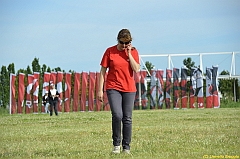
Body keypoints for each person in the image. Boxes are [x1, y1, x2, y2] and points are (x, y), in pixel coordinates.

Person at [97, 29, 140, 154]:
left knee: (127, 118)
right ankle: (116, 145)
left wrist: (129, 54)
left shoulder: (133, 52)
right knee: (117, 115)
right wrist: (100, 90)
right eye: (122, 43)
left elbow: (136, 69)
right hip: (113, 87)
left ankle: (126, 147)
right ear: (118, 40)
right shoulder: (109, 51)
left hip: (129, 88)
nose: (125, 46)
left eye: (128, 43)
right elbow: (102, 72)